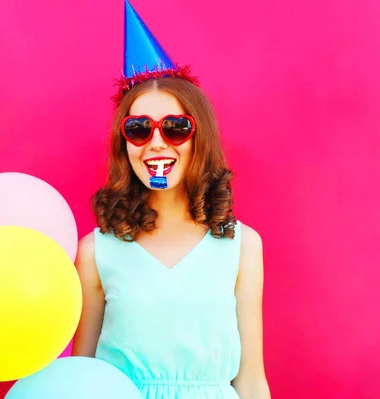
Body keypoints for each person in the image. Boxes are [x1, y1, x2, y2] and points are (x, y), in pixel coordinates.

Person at [71, 1, 271, 398]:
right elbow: (82, 381)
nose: (157, 142)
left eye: (176, 127)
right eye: (139, 128)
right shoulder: (96, 252)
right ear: (123, 143)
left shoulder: (242, 246)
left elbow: (250, 380)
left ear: (200, 138)